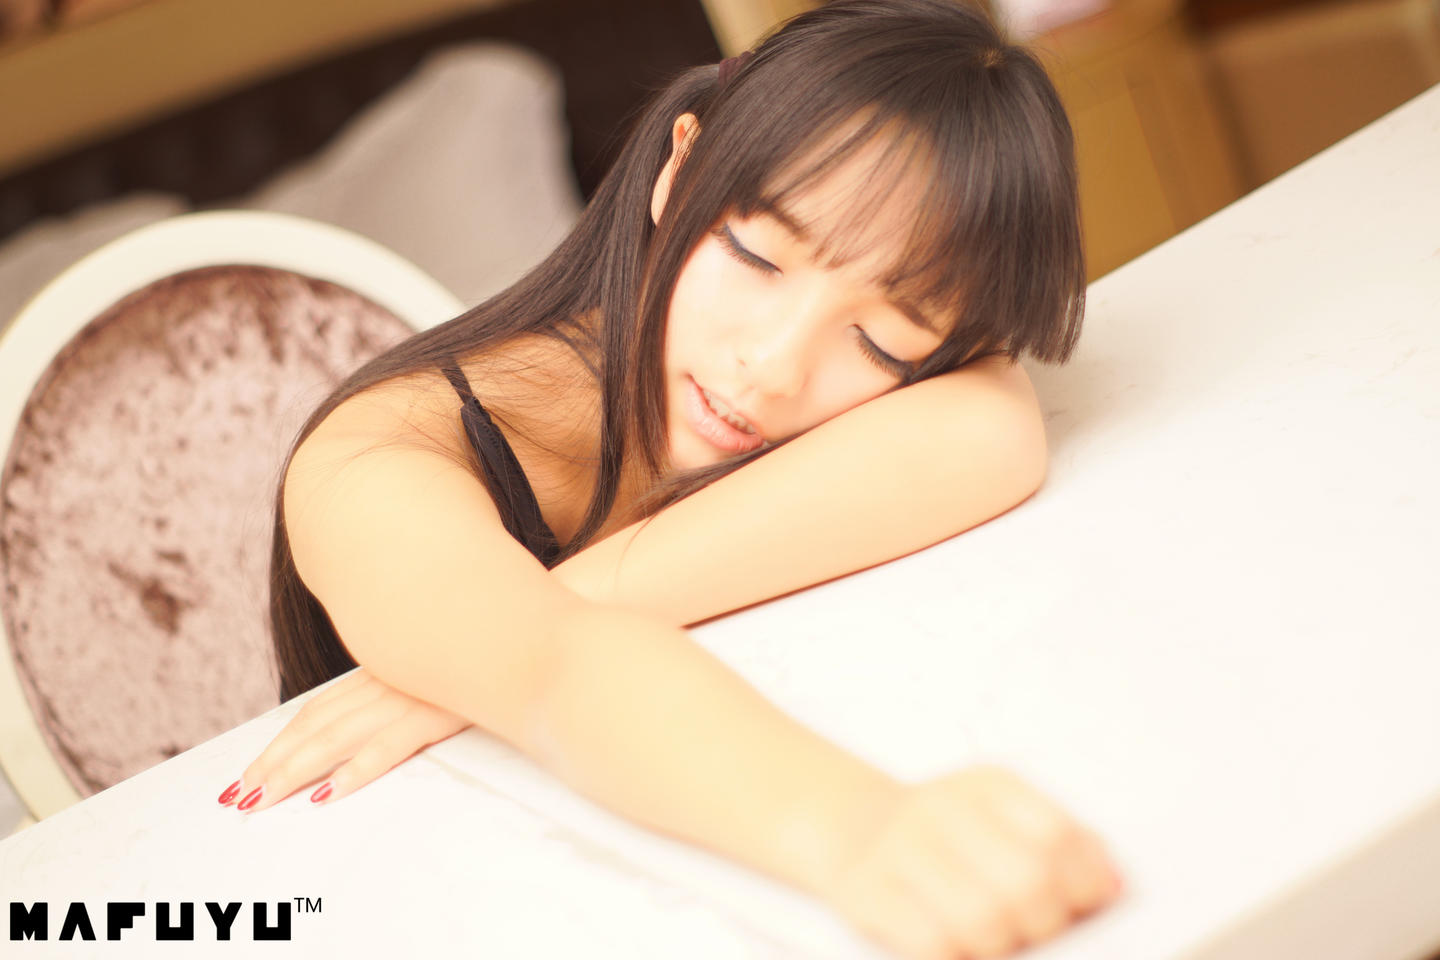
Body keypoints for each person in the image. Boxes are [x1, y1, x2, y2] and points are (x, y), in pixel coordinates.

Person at [218, 1, 1122, 956]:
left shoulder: (885, 393)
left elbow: (989, 424)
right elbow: (558, 668)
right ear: (679, 167)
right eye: (756, 257)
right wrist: (861, 832)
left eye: (880, 340)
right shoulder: (380, 454)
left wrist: (468, 662)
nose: (772, 366)